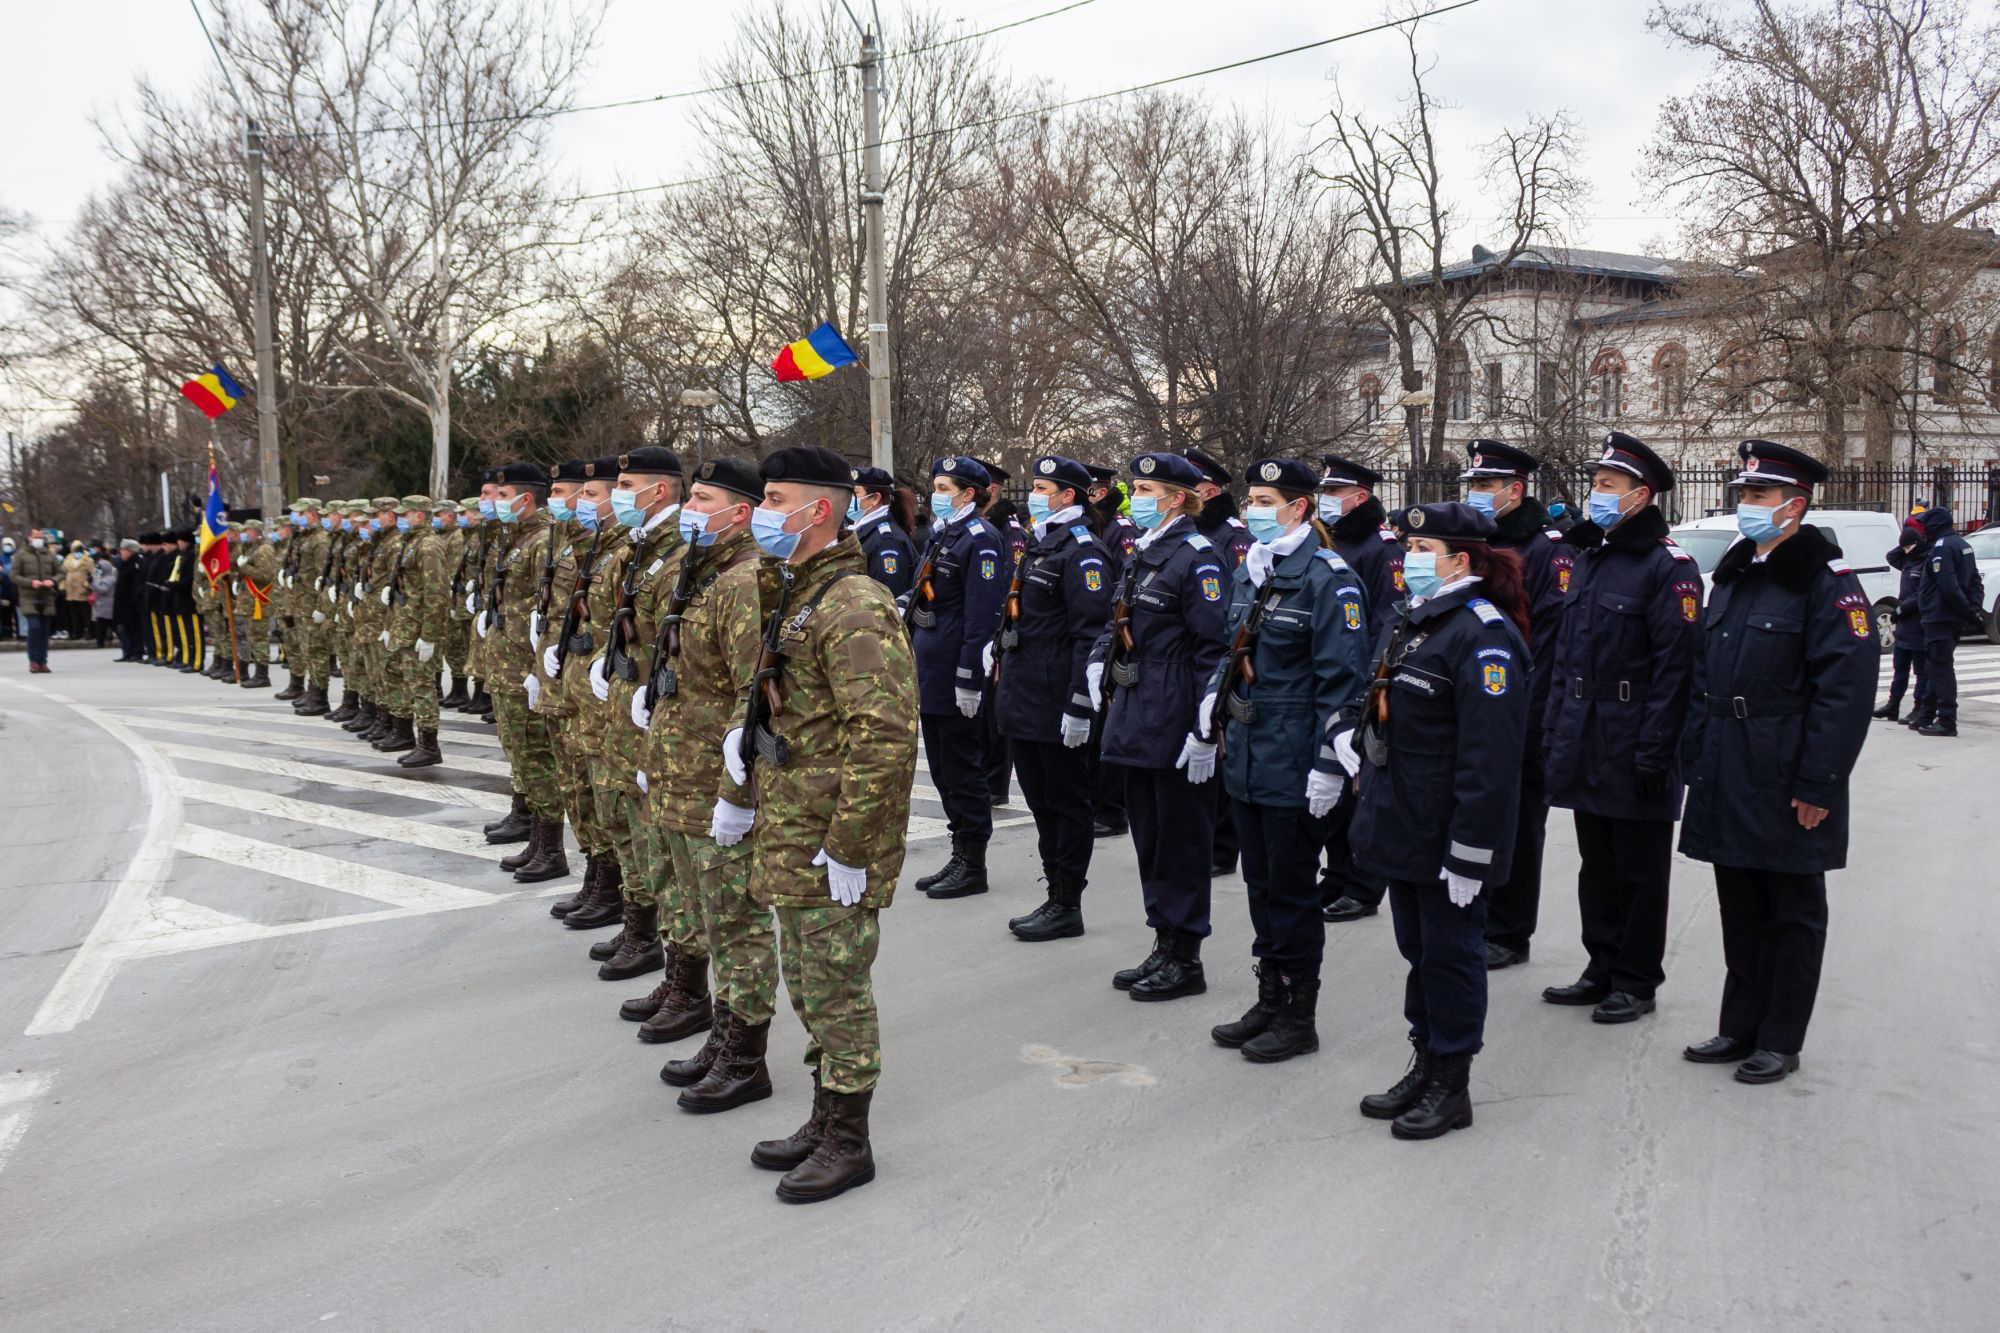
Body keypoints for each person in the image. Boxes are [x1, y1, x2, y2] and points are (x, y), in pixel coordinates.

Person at [717, 444, 918, 1204]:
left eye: (775, 499)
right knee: (807, 982)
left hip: (832, 835)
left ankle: (850, 1140)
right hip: (793, 826)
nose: (763, 512)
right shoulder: (796, 589)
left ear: (819, 510)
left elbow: (885, 734)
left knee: (837, 989)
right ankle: (824, 1114)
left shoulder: (853, 602)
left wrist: (851, 845)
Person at [1678, 440, 1876, 1084]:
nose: (1747, 505)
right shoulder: (1736, 577)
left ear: (1795, 506)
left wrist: (1820, 782)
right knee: (1740, 905)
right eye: (1744, 494)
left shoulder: (1826, 585)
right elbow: (1704, 673)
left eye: (1758, 496)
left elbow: (1844, 694)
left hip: (1787, 770)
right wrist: (1696, 753)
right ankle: (1740, 1026)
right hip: (1728, 764)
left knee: (1791, 911)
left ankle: (1781, 1038)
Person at [1346, 501, 1532, 1139]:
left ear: (1463, 561)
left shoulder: (1483, 637)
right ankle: (1425, 1062)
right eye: (1408, 548)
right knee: (1419, 951)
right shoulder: (1415, 621)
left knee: (1451, 957)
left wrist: (1471, 850)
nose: (1409, 560)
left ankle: (1453, 1083)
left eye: (1423, 551)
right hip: (1403, 820)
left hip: (1448, 833)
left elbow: (1491, 759)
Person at [1192, 457, 1370, 1062]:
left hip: (1294, 761)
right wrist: (1210, 704)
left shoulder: (1329, 579)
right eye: (1252, 500)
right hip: (1248, 754)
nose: (1254, 511)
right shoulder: (1256, 569)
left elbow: (1342, 683)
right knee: (1261, 885)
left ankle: (1298, 1015)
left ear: (1299, 508)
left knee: (1292, 893)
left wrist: (1328, 764)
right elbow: (1233, 649)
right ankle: (1269, 998)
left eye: (1267, 502)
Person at [1540, 432, 1702, 1025]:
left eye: (1607, 485)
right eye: (1596, 484)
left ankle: (1636, 979)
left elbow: (1676, 670)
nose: (1596, 494)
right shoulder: (1591, 559)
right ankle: (1601, 965)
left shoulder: (1669, 569)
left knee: (1640, 869)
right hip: (1586, 732)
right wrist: (1555, 732)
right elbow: (1566, 658)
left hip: (1634, 736)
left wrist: (1656, 750)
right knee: (1597, 863)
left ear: (1641, 495)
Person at [629, 457, 761, 1053]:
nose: (690, 509)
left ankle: (740, 1048)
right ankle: (687, 991)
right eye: (692, 498)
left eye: (703, 500)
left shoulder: (745, 580)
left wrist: (737, 794)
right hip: (677, 766)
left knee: (733, 918)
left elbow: (752, 697)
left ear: (740, 513)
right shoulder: (698, 569)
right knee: (684, 893)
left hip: (712, 776)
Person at [1088, 452, 1231, 1001]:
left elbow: (1213, 650)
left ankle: (1186, 954)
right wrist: (1098, 659)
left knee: (1182, 841)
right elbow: (1117, 619)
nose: (1136, 497)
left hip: (1174, 715)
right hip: (1135, 711)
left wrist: (1204, 729)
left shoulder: (1198, 558)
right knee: (1149, 837)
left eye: (1147, 489)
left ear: (1176, 499)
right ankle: (1164, 939)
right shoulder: (1144, 553)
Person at [1458, 441, 1575, 970]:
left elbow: (1551, 640)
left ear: (1515, 490)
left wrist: (1531, 714)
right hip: (1474, 701)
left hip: (1524, 708)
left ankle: (1510, 931)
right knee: (1477, 810)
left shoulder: (1547, 550)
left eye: (1486, 485)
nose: (1476, 494)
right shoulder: (1476, 543)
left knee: (1521, 823)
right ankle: (1476, 913)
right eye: (1473, 485)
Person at [993, 455, 1115, 943]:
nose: (1034, 495)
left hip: (1056, 700)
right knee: (1041, 802)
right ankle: (1055, 893)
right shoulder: (1042, 543)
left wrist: (1081, 704)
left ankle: (1068, 903)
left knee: (1066, 803)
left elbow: (1091, 634)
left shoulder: (1083, 552)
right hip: (1025, 696)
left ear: (1068, 496)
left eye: (1043, 488)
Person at [582, 448, 686, 988]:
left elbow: (677, 648)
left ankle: (660, 949)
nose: (617, 494)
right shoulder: (637, 547)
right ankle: (638, 927)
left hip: (652, 721)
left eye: (625, 485)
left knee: (655, 845)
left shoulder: (675, 554)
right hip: (621, 714)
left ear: (658, 490)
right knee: (625, 828)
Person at [906, 456, 1006, 900]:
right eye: (936, 487)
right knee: (943, 770)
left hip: (954, 668)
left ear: (969, 494)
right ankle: (959, 851)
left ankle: (973, 861)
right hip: (930, 666)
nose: (936, 495)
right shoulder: (944, 534)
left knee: (963, 769)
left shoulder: (981, 540)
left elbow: (982, 618)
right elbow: (927, 591)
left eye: (945, 488)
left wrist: (969, 677)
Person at [1315, 454, 1406, 924]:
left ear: (1360, 496)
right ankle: (1336, 875)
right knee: (1332, 791)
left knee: (1359, 792)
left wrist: (1369, 684)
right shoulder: (1328, 539)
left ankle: (1364, 885)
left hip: (1359, 682)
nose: (1326, 500)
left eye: (1334, 492)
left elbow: (1388, 619)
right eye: (1325, 492)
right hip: (1327, 677)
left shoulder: (1380, 547)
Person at [487, 465, 570, 882]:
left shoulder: (540, 541)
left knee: (536, 758)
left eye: (503, 496)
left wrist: (538, 669)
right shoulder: (515, 538)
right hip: (507, 663)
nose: (495, 503)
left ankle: (551, 848)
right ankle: (537, 839)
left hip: (524, 665)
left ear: (525, 499)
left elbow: (549, 611)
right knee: (520, 752)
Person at [1181, 448, 1254, 878]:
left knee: (1220, 750)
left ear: (1208, 491)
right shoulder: (1198, 531)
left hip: (1222, 649)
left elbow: (1235, 599)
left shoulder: (1232, 536)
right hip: (1198, 649)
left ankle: (1223, 848)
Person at [1083, 462, 1138, 840]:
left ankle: (1112, 809)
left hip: (1114, 635)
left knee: (1107, 728)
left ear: (1099, 493)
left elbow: (1119, 587)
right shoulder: (1098, 525)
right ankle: (1099, 803)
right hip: (1099, 636)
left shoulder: (1121, 530)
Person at [1912, 505, 1982, 738]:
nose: (1922, 530)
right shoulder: (1962, 544)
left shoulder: (1943, 547)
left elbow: (1948, 586)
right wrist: (1972, 608)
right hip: (1948, 617)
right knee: (1935, 666)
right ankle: (1926, 715)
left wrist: (1967, 610)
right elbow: (1975, 581)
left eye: (1925, 525)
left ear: (1934, 525)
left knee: (1941, 669)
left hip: (1940, 616)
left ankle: (1946, 720)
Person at [1875, 519, 1929, 723]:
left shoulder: (1925, 562)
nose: (1906, 551)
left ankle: (1919, 706)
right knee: (1900, 667)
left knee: (1920, 670)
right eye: (1904, 547)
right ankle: (1893, 704)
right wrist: (1905, 543)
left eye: (1909, 547)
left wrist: (1900, 609)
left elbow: (1920, 595)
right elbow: (1891, 557)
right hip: (1905, 624)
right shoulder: (1908, 559)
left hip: (1917, 621)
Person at [849, 466, 916, 600]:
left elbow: (888, 596)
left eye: (854, 493)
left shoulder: (887, 541)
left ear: (875, 498)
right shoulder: (864, 531)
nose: (848, 498)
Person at [233, 520, 280, 688]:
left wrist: (244, 567)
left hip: (258, 603)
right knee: (251, 637)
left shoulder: (264, 550)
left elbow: (265, 575)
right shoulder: (251, 549)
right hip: (248, 603)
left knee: (259, 639)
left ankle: (262, 675)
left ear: (255, 532)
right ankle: (250, 672)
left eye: (247, 531)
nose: (244, 534)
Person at [12, 529, 61, 672]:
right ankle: (33, 660)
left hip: (47, 597)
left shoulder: (50, 555)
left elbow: (61, 572)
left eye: (40, 537)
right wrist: (30, 582)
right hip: (29, 597)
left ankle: (43, 661)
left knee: (45, 631)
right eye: (36, 537)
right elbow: (14, 575)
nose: (38, 540)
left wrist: (53, 581)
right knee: (34, 628)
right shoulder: (21, 555)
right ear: (29, 538)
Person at [114, 539, 146, 660]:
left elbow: (137, 583)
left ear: (131, 551)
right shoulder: (123, 563)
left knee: (134, 628)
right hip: (122, 601)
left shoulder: (138, 562)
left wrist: (135, 599)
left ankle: (137, 652)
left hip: (132, 602)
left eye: (124, 550)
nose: (121, 552)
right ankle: (127, 651)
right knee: (124, 628)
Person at [61, 540, 94, 641]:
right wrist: (62, 586)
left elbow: (93, 573)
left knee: (85, 612)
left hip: (82, 588)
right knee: (73, 612)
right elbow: (63, 573)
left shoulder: (88, 559)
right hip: (70, 589)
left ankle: (87, 631)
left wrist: (87, 584)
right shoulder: (68, 559)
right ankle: (75, 631)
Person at [90, 549, 117, 648]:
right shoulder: (103, 578)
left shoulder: (109, 579)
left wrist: (92, 583)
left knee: (103, 626)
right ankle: (101, 642)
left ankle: (101, 642)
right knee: (103, 626)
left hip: (107, 606)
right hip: (103, 606)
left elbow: (102, 590)